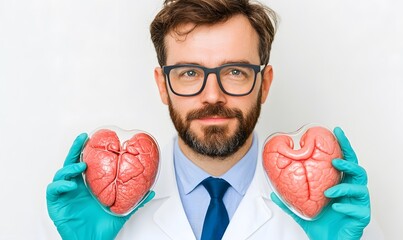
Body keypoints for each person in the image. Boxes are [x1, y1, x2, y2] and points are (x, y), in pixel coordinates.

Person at [46, 0, 377, 239]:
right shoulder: (87, 206)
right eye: (189, 72)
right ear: (163, 85)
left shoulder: (336, 208)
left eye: (235, 71)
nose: (213, 95)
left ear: (264, 84)